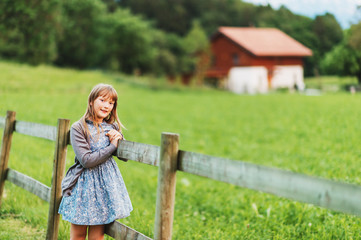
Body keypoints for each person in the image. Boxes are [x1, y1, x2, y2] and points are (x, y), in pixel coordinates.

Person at [58, 83, 132, 240]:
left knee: (97, 236)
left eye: (111, 103)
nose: (106, 106)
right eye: (103, 100)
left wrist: (119, 138)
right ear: (91, 101)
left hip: (104, 190)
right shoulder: (79, 128)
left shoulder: (111, 126)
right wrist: (112, 146)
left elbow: (124, 156)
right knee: (78, 235)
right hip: (84, 189)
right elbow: (86, 161)